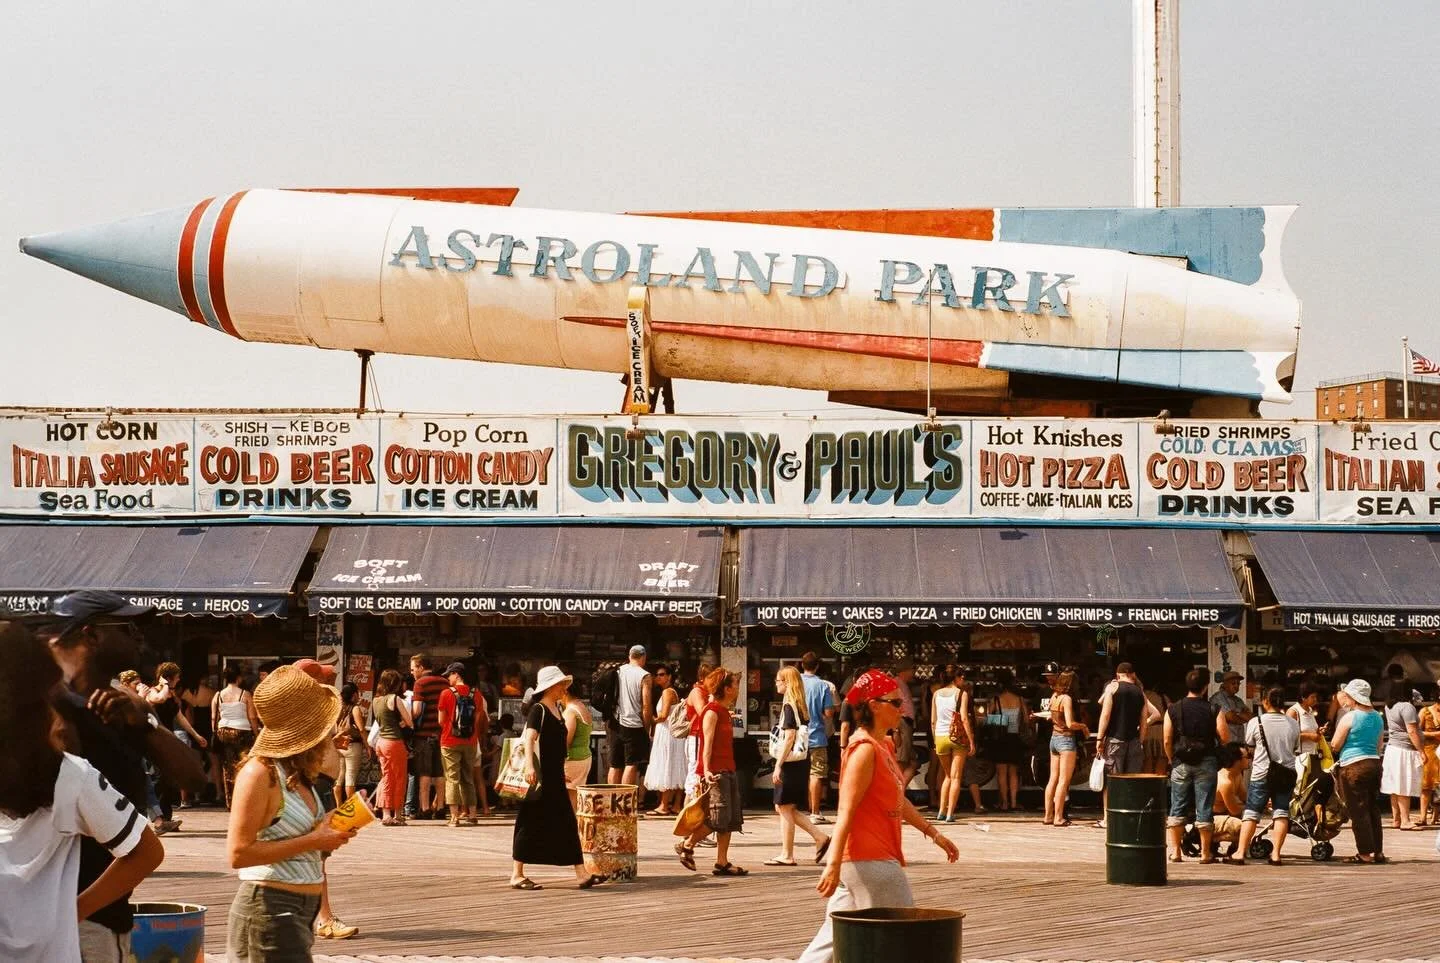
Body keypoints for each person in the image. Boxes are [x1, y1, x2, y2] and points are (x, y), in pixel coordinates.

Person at [36, 591, 204, 962]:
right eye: (128, 627)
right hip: (70, 922)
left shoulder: (123, 707)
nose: (139, 637)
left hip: (98, 918)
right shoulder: (49, 711)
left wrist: (144, 723)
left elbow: (194, 779)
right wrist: (69, 916)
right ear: (91, 635)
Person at [1, 621, 165, 963]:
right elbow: (147, 851)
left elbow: (146, 852)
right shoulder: (70, 774)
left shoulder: (68, 775)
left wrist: (72, 911)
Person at [797, 669, 959, 963]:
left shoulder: (882, 745)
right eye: (895, 703)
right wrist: (832, 864)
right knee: (902, 939)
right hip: (869, 861)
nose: (902, 709)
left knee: (830, 942)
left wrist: (933, 833)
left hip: (861, 863)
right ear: (874, 705)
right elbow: (846, 810)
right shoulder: (863, 750)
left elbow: (897, 798)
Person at [225, 665, 357, 962]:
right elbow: (238, 853)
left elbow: (296, 831)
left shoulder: (293, 771)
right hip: (270, 909)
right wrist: (315, 840)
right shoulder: (259, 773)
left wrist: (335, 823)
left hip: (294, 910)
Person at [510, 666, 605, 890]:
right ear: (552, 686)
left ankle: (581, 873)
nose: (565, 687)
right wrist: (530, 767)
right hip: (540, 776)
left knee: (565, 822)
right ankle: (517, 873)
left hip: (555, 775)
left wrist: (560, 766)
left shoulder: (557, 709)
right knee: (529, 821)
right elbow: (529, 739)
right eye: (561, 684)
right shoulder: (539, 710)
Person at [676, 668, 747, 876]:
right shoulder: (712, 711)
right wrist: (706, 770)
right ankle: (687, 845)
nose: (737, 688)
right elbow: (705, 745)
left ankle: (722, 861)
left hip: (728, 767)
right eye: (734, 684)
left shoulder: (724, 711)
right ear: (726, 688)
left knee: (731, 818)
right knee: (718, 817)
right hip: (716, 770)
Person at [767, 666, 831, 866]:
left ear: (786, 682)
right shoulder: (800, 705)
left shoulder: (788, 706)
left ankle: (787, 854)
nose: (776, 683)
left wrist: (778, 764)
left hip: (790, 762)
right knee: (784, 806)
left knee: (784, 806)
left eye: (778, 680)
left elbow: (789, 737)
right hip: (801, 760)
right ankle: (819, 836)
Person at [1163, 668, 1228, 863]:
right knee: (1205, 806)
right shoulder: (1213, 709)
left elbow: (1166, 738)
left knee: (1177, 806)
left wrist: (1170, 759)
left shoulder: (1173, 708)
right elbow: (1225, 737)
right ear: (1206, 687)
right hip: (1207, 761)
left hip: (1180, 761)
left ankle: (1175, 852)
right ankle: (1206, 853)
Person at [1229, 687, 1300, 865]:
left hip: (1261, 773)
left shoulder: (1256, 722)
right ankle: (1276, 854)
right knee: (1281, 813)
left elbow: (1250, 744)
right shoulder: (1293, 724)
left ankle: (1240, 852)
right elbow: (1295, 749)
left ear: (1265, 701)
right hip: (1285, 774)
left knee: (1252, 813)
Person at [1330, 679, 1386, 864]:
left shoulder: (1350, 717)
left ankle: (1364, 853)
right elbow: (1379, 745)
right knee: (1372, 808)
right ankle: (1378, 851)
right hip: (1374, 764)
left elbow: (1335, 744)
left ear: (1353, 697)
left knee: (1358, 810)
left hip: (1353, 766)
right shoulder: (1378, 717)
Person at [145, 662, 208, 820]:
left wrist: (196, 735)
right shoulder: (154, 691)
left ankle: (165, 817)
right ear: (169, 677)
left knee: (168, 778)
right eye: (177, 676)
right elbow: (159, 699)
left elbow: (180, 717)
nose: (179, 679)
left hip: (168, 738)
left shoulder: (172, 696)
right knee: (160, 777)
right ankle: (156, 814)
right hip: (155, 738)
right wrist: (165, 686)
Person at [1093, 662, 1150, 827]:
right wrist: (1140, 740)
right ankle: (1129, 817)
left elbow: (1105, 715)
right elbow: (1144, 721)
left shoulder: (1112, 689)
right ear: (1132, 674)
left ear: (1118, 675)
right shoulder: (1140, 692)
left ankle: (1110, 818)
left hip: (1114, 740)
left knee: (1113, 780)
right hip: (1133, 741)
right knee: (1132, 781)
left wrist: (1099, 738)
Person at [438, 662, 484, 827]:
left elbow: (441, 721)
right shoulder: (476, 694)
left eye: (449, 675)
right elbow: (477, 721)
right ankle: (472, 814)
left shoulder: (445, 694)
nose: (448, 678)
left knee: (452, 779)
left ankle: (454, 817)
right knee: (468, 778)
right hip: (470, 741)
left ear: (457, 674)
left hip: (449, 741)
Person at [1043, 670, 1089, 827]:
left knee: (1052, 779)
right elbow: (1070, 724)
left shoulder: (1054, 696)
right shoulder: (1066, 699)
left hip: (1053, 739)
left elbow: (1050, 716)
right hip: (1066, 740)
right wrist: (1083, 727)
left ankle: (1048, 816)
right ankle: (1058, 817)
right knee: (1064, 780)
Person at [407, 655, 448, 820]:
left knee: (424, 773)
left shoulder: (420, 684)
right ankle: (440, 807)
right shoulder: (445, 683)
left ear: (421, 667)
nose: (412, 673)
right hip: (441, 733)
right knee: (439, 773)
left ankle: (424, 808)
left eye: (413, 668)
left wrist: (405, 718)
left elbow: (416, 710)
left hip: (423, 736)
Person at [213, 665, 260, 809]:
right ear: (239, 678)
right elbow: (252, 717)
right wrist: (257, 734)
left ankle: (231, 802)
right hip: (242, 732)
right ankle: (244, 801)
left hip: (224, 731)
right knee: (244, 765)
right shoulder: (245, 695)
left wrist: (215, 733)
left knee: (227, 768)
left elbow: (214, 717)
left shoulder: (218, 695)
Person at [370, 669, 414, 826]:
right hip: (394, 742)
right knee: (400, 778)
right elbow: (409, 722)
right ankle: (397, 814)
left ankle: (386, 814)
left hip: (381, 742)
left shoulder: (376, 700)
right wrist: (402, 722)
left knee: (387, 777)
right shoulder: (394, 699)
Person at [1380, 677, 1424, 831]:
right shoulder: (1407, 707)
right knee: (1404, 785)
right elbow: (1411, 731)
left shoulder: (1388, 706)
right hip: (1405, 750)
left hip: (1392, 749)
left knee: (1395, 786)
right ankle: (1405, 820)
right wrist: (1421, 751)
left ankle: (1396, 819)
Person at [930, 665, 973, 823]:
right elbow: (964, 718)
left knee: (947, 776)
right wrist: (971, 740)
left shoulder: (936, 694)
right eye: (961, 677)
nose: (963, 680)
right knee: (956, 777)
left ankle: (941, 810)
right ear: (956, 678)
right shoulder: (961, 694)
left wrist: (935, 740)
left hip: (940, 737)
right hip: (956, 737)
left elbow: (933, 720)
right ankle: (950, 814)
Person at [606, 645, 653, 787]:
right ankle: (624, 803)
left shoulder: (618, 671)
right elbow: (646, 706)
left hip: (615, 722)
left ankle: (612, 800)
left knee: (614, 764)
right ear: (643, 657)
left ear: (629, 656)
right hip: (633, 724)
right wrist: (647, 728)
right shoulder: (644, 675)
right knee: (631, 763)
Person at [643, 663, 686, 815]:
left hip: (668, 734)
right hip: (671, 734)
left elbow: (663, 716)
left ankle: (664, 805)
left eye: (662, 674)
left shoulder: (668, 692)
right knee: (676, 767)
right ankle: (676, 805)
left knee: (668, 766)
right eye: (657, 675)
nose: (658, 677)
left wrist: (649, 719)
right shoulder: (669, 692)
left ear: (669, 677)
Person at [800, 652, 837, 823]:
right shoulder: (822, 686)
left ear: (802, 665)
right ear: (817, 667)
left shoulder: (795, 683)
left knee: (799, 772)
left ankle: (792, 807)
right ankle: (814, 811)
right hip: (817, 736)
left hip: (797, 736)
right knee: (816, 773)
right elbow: (829, 712)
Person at [985, 669, 1029, 812]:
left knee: (1002, 773)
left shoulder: (996, 700)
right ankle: (1014, 802)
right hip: (1014, 737)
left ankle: (1004, 803)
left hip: (1000, 739)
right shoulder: (1020, 699)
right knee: (1014, 773)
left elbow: (988, 720)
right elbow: (1026, 720)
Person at [334, 683, 368, 806]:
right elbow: (361, 729)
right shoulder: (355, 709)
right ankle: (350, 807)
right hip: (353, 746)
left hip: (340, 745)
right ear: (354, 695)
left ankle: (338, 805)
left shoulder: (339, 708)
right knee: (350, 777)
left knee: (339, 778)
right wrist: (368, 746)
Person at [562, 687, 594, 808]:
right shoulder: (582, 707)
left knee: (568, 798)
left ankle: (570, 825)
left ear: (565, 692)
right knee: (574, 797)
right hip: (584, 757)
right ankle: (574, 824)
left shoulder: (571, 712)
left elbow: (566, 740)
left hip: (572, 760)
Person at [890, 658, 919, 793]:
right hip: (902, 723)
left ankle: (898, 792)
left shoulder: (902, 684)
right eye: (912, 669)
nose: (914, 673)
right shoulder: (896, 683)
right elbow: (893, 706)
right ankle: (895, 794)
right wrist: (895, 729)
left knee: (912, 763)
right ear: (905, 670)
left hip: (906, 724)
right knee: (902, 761)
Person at [1211, 670, 1252, 746]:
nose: (1236, 686)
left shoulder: (1238, 700)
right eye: (1233, 683)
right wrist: (1241, 715)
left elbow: (1249, 717)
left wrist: (1236, 714)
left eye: (1238, 683)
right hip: (1225, 744)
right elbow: (1230, 717)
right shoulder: (1218, 698)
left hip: (1239, 742)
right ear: (1225, 684)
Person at [1420, 697, 1440, 827]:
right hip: (1429, 751)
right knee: (1426, 785)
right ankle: (1423, 818)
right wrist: (1434, 734)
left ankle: (1435, 817)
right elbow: (1417, 731)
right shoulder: (1425, 711)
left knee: (1439, 786)